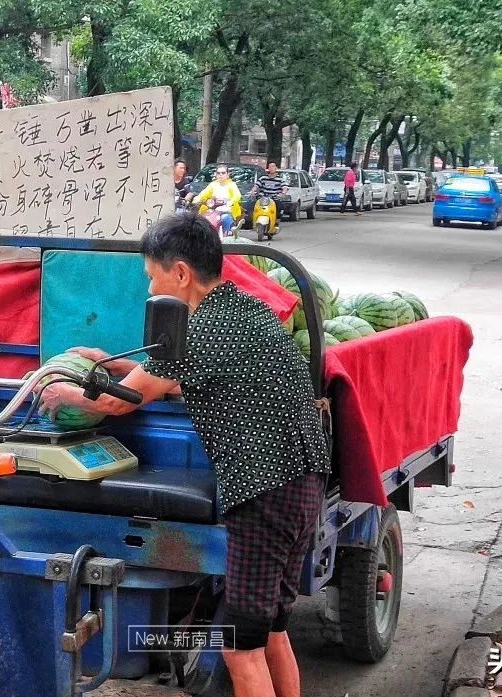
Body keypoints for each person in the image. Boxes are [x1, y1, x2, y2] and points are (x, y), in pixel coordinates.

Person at [38, 213, 331, 697]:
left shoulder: (199, 332)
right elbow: (170, 378)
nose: (151, 287)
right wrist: (108, 361)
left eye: (152, 276)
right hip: (301, 484)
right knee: (271, 628)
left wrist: (64, 391)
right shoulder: (242, 312)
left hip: (265, 492)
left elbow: (115, 402)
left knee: (239, 646)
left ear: (180, 273)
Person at [193, 164, 242, 235]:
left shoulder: (232, 185)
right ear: (216, 175)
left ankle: (226, 234)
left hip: (226, 211)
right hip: (213, 211)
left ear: (228, 174)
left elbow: (237, 195)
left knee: (225, 218)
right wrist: (196, 199)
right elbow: (204, 193)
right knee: (203, 219)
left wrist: (230, 202)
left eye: (223, 173)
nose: (220, 175)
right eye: (218, 173)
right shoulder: (213, 185)